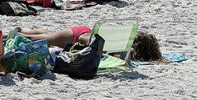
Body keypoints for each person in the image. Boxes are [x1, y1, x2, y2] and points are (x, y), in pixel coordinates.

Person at [19, 26, 161, 60]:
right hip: (75, 37)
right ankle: (16, 35)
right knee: (43, 40)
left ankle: (26, 30)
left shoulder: (120, 41)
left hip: (82, 31)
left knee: (50, 36)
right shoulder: (117, 47)